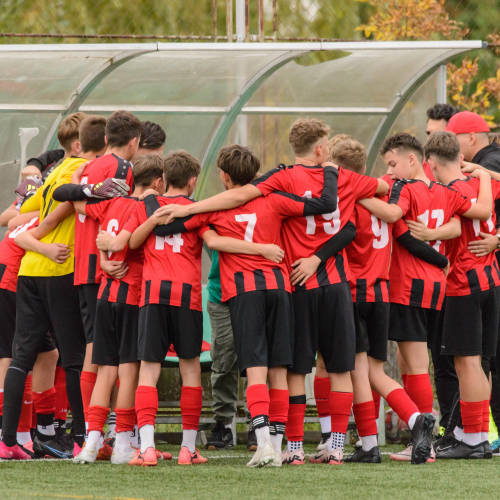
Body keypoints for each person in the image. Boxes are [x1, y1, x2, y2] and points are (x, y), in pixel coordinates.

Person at [146, 144, 339, 468]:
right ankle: (276, 448)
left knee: (255, 369)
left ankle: (263, 442)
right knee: (279, 368)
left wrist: (153, 203)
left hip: (245, 292)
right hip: (280, 288)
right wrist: (330, 171)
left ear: (222, 176)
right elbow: (321, 206)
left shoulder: (211, 210)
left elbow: (173, 231)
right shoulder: (275, 199)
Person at [98, 149, 289, 467]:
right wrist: (262, 249)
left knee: (149, 370)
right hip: (187, 298)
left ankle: (146, 448)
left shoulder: (146, 207)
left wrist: (116, 242)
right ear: (193, 181)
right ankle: (188, 448)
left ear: (162, 181)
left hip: (152, 296)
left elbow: (129, 244)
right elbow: (213, 242)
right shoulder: (198, 212)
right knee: (190, 372)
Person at [358, 132, 493, 464]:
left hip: (409, 286)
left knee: (418, 366)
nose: (390, 172)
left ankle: (426, 440)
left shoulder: (404, 188)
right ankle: (448, 436)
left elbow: (394, 218)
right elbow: (461, 226)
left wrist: (353, 196)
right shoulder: (444, 191)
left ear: (414, 159)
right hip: (437, 286)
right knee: (417, 364)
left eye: (393, 164)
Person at [0, 114, 111, 460]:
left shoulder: (50, 175)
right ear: (82, 145)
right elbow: (75, 206)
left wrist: (36, 239)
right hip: (60, 269)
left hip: (29, 271)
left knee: (25, 357)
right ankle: (81, 439)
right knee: (75, 358)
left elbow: (16, 217)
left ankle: (8, 441)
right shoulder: (78, 172)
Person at [70, 154, 171, 465]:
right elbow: (127, 240)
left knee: (105, 372)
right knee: (128, 372)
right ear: (158, 182)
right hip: (132, 294)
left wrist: (102, 260)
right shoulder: (148, 207)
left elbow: (99, 231)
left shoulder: (113, 203)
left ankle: (90, 444)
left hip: (104, 293)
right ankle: (124, 445)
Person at [410, 131, 500, 459]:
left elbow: (459, 227)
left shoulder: (451, 190)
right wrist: (486, 176)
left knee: (467, 362)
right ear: (461, 158)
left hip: (464, 282)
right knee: (479, 363)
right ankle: (472, 433)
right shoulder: (479, 182)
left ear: (430, 164)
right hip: (491, 280)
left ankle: (474, 439)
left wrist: (431, 233)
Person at [52, 111, 140, 437]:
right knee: (106, 351)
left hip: (84, 265)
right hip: (107, 265)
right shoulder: (123, 168)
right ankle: (102, 430)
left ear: (104, 140)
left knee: (96, 347)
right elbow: (113, 214)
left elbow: (79, 206)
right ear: (134, 143)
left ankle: (94, 429)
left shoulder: (88, 167)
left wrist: (80, 193)